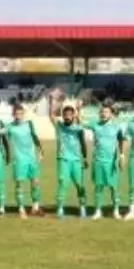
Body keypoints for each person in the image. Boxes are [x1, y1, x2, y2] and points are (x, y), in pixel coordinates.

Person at [50, 92, 88, 220]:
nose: (67, 115)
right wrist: (59, 101)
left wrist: (85, 158)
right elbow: (52, 114)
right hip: (63, 160)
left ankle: (82, 208)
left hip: (76, 160)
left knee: (80, 185)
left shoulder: (78, 128)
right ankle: (60, 209)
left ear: (73, 115)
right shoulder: (59, 126)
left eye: (70, 113)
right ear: (63, 115)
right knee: (63, 184)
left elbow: (83, 143)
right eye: (65, 113)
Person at [85, 103, 125, 220]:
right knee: (98, 187)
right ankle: (98, 211)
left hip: (111, 162)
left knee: (114, 187)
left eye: (106, 112)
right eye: (102, 112)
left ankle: (116, 211)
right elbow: (81, 122)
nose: (103, 114)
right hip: (98, 161)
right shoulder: (95, 125)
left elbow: (121, 140)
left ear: (111, 114)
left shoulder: (116, 127)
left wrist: (122, 156)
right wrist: (77, 109)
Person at [2, 102, 42, 218]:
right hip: (19, 160)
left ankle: (35, 207)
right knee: (20, 184)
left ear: (23, 114)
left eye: (20, 113)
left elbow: (35, 137)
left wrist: (40, 150)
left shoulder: (29, 124)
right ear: (13, 115)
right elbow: (1, 133)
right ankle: (21, 208)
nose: (18, 116)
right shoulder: (10, 127)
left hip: (32, 158)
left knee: (35, 182)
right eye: (16, 114)